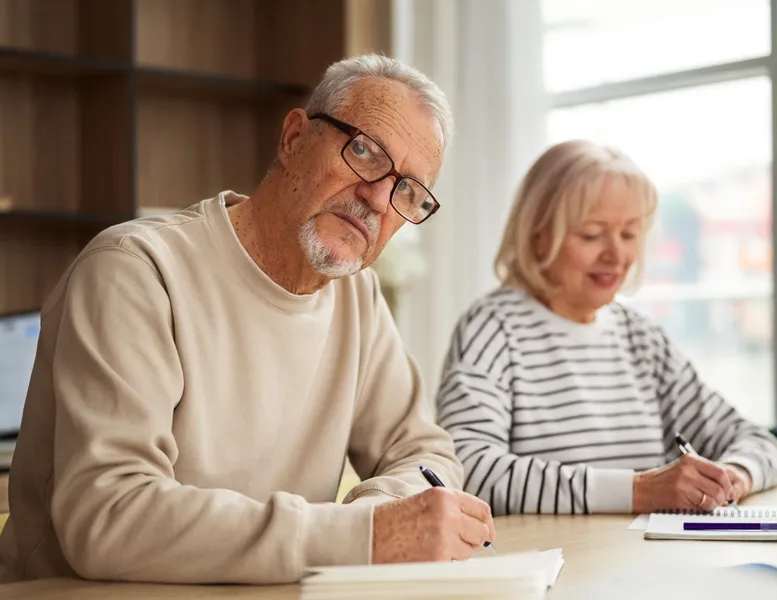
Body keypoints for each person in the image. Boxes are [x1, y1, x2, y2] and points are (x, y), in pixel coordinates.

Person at [0, 54, 495, 585]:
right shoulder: (135, 270)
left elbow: (424, 453)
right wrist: (362, 535)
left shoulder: (358, 296)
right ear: (293, 139)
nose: (377, 197)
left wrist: (378, 510)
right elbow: (109, 516)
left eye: (408, 192)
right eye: (364, 152)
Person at [436, 140, 777, 516]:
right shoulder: (493, 329)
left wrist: (734, 476)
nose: (616, 255)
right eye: (591, 234)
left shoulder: (642, 339)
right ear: (538, 236)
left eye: (629, 234)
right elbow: (467, 467)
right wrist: (639, 491)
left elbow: (757, 441)